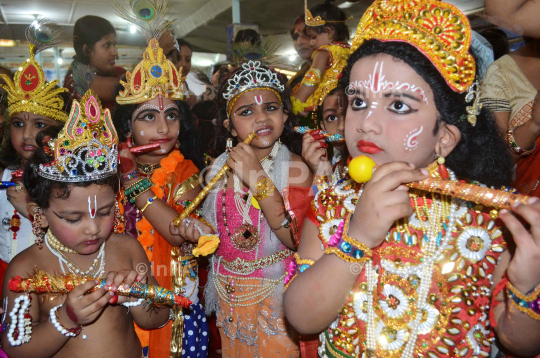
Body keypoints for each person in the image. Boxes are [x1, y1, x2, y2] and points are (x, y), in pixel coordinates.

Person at [284, 0, 540, 356]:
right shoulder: (333, 204)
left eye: (399, 105)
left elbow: (521, 344)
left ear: (445, 136)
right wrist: (355, 240)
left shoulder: (487, 219)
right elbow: (300, 317)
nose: (367, 122)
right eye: (358, 102)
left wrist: (527, 289)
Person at [0, 89, 170, 358]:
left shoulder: (127, 250)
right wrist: (66, 319)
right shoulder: (25, 269)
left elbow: (159, 317)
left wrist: (136, 296)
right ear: (39, 214)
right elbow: (16, 347)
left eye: (104, 212)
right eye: (73, 218)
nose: (92, 228)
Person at [173, 60, 313, 357]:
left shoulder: (296, 168)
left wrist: (257, 178)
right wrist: (199, 231)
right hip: (229, 296)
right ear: (229, 126)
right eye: (246, 112)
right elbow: (220, 225)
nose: (261, 118)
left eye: (271, 108)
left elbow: (296, 237)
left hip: (276, 300)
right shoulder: (217, 171)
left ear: (285, 115)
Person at [112, 2, 207, 356]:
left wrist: (132, 179)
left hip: (172, 307)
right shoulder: (110, 172)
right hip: (119, 297)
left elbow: (174, 230)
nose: (163, 128)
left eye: (171, 115)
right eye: (148, 117)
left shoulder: (187, 172)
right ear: (128, 129)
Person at [0, 20, 69, 289]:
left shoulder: (62, 178)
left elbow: (72, 233)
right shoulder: (4, 174)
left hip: (48, 276)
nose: (27, 135)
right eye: (19, 124)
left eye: (39, 125)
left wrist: (30, 210)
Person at [64, 16, 176, 112]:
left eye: (114, 45)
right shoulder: (76, 80)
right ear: (87, 50)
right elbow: (124, 88)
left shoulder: (118, 72)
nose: (114, 52)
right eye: (107, 45)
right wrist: (156, 53)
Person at [291, 0, 350, 119]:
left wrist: (299, 101)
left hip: (322, 105)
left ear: (329, 32)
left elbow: (313, 76)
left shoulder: (323, 52)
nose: (312, 43)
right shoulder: (350, 51)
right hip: (346, 103)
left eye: (314, 37)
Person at [288, 15, 315, 97]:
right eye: (296, 37)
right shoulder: (295, 81)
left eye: (306, 35)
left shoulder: (340, 71)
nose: (299, 42)